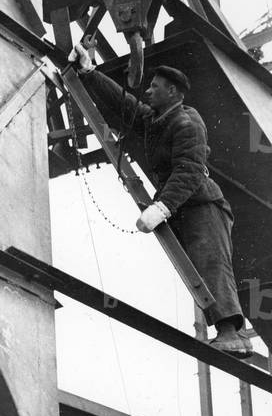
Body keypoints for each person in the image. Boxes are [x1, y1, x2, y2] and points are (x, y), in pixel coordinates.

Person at [70, 47, 253, 358]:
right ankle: (229, 334)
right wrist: (90, 73)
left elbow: (190, 170)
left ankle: (231, 335)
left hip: (201, 204)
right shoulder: (159, 119)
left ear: (173, 92)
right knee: (200, 266)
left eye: (155, 87)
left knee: (211, 264)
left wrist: (162, 207)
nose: (149, 90)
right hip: (185, 205)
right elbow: (125, 104)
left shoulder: (186, 123)